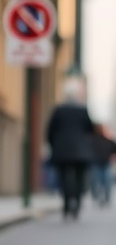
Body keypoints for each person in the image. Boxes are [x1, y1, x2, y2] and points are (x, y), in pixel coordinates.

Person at [46, 78, 95, 219]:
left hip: (62, 150)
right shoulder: (82, 110)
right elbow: (90, 129)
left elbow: (50, 130)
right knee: (79, 178)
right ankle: (77, 203)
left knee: (62, 177)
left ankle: (67, 203)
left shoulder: (59, 110)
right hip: (80, 150)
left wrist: (52, 144)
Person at [90, 124, 116, 206]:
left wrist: (115, 156)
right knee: (97, 182)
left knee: (106, 181)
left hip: (106, 163)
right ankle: (99, 198)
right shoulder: (93, 140)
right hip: (96, 163)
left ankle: (106, 198)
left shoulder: (108, 140)